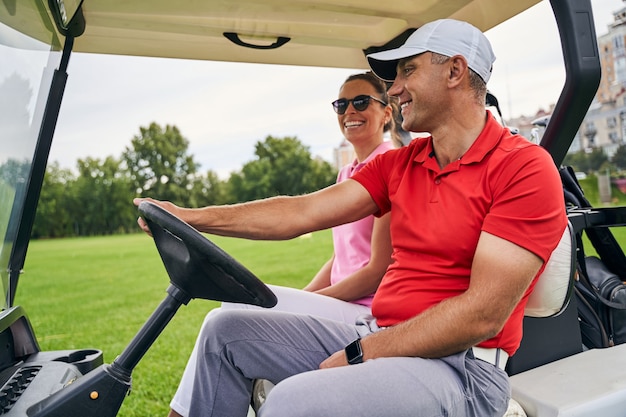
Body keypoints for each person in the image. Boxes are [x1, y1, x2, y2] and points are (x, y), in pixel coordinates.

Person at [135, 18, 567, 417]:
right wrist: (192, 217)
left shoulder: (524, 168)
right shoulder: (403, 164)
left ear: (455, 71)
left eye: (407, 71)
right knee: (224, 331)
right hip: (379, 332)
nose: (394, 90)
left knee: (293, 401)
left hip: (462, 369)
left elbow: (482, 316)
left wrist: (365, 351)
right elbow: (300, 212)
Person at [167, 71, 404, 417]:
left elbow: (376, 272)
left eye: (361, 101)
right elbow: (342, 255)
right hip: (345, 304)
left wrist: (308, 302)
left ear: (386, 111)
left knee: (240, 309)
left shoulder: (389, 166)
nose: (349, 111)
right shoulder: (348, 173)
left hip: (366, 311)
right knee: (237, 309)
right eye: (341, 104)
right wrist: (304, 294)